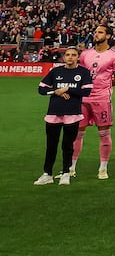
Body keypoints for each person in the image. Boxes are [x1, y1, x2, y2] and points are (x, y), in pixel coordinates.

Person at [37, 47, 93, 186]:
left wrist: (68, 89)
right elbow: (41, 89)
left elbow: (86, 92)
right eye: (67, 55)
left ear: (77, 57)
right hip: (54, 113)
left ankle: (66, 173)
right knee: (51, 145)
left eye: (73, 55)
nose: (70, 57)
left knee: (67, 146)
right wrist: (56, 92)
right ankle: (47, 174)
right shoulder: (56, 71)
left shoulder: (84, 72)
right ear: (64, 57)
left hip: (72, 114)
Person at [76, 23, 115, 179]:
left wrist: (103, 86)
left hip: (102, 98)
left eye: (100, 32)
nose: (96, 34)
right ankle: (70, 167)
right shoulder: (85, 54)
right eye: (95, 32)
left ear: (108, 36)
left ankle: (103, 168)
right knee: (77, 134)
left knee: (104, 133)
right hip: (83, 98)